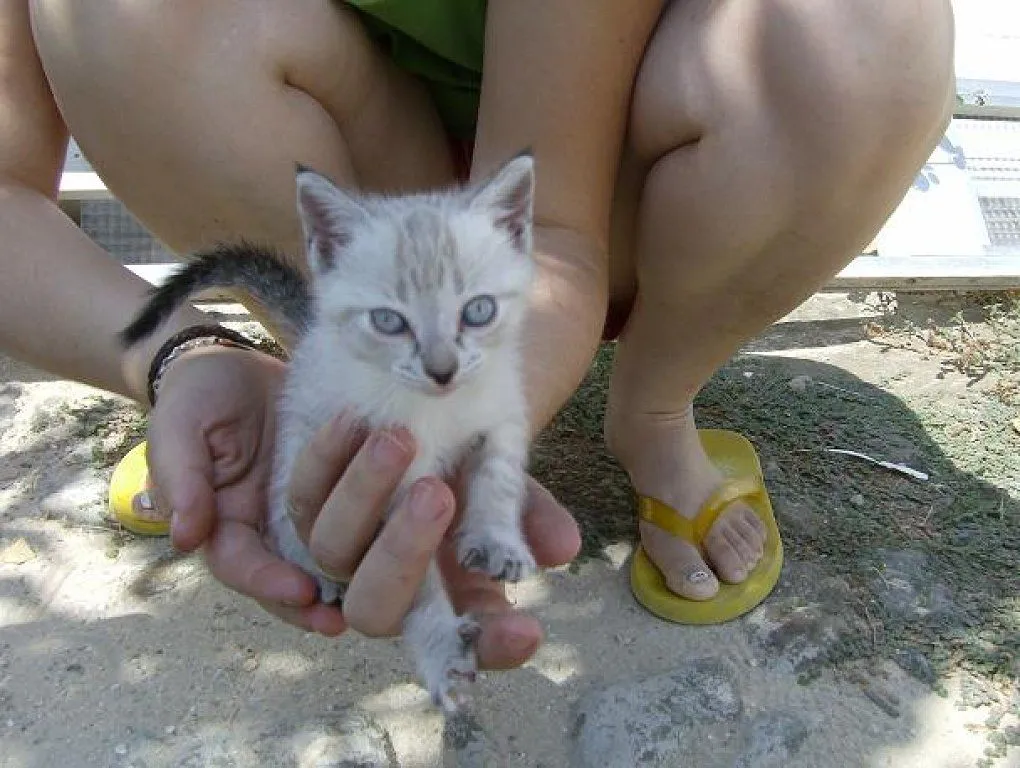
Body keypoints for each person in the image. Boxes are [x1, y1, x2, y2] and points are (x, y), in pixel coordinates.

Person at [0, 0, 954, 669]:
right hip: (352, 171)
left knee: (861, 39)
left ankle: (656, 411)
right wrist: (175, 354)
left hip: (626, 170)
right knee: (123, 16)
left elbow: (558, 236)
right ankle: (288, 371)